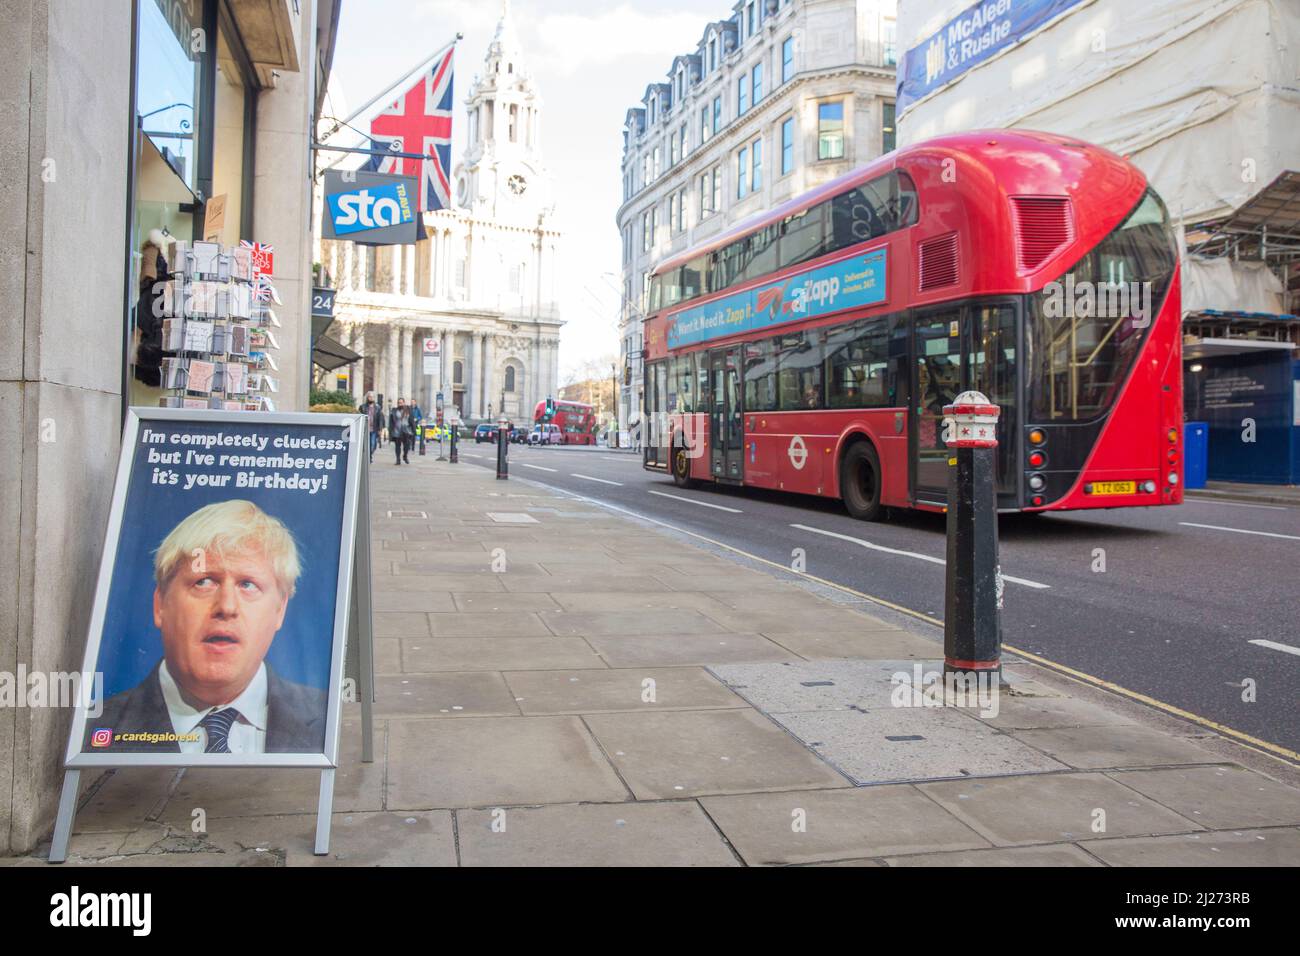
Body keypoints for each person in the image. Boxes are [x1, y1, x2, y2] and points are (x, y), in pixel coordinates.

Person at [85, 500, 326, 754]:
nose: (227, 606)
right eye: (205, 582)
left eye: (247, 585)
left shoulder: (330, 720)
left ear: (280, 610)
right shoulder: (93, 733)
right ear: (160, 605)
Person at [358, 391, 382, 463]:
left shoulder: (378, 407)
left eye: (372, 397)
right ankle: (368, 457)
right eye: (369, 397)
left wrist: (380, 428)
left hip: (374, 429)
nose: (371, 398)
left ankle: (370, 455)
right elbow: (359, 417)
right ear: (367, 398)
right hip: (365, 429)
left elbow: (380, 419)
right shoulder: (362, 407)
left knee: (373, 445)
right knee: (366, 444)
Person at [389, 398, 414, 464]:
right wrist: (390, 430)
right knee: (397, 446)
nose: (400, 404)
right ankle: (398, 459)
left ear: (404, 403)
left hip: (406, 431)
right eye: (399, 403)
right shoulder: (394, 410)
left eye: (401, 402)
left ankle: (405, 456)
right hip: (397, 431)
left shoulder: (408, 410)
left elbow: (412, 420)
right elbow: (391, 421)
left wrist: (413, 430)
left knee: (406, 446)